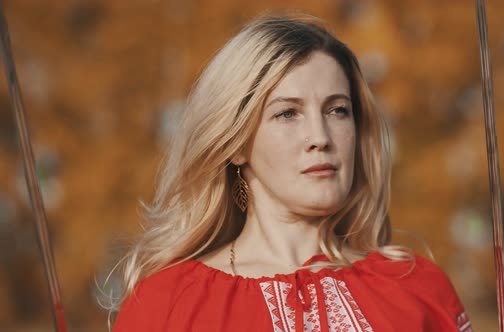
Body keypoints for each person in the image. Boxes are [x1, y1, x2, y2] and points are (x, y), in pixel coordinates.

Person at [111, 15, 472, 332]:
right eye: (287, 113)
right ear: (235, 143)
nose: (320, 137)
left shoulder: (418, 289)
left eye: (337, 110)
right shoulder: (168, 304)